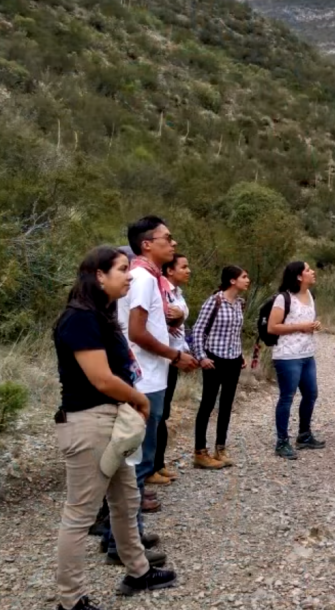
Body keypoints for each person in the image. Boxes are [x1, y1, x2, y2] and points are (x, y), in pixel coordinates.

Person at [53, 246, 177, 610]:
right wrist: (139, 401)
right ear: (98, 275)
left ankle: (138, 572)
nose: (129, 276)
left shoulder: (98, 315)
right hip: (90, 425)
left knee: (125, 501)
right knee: (80, 514)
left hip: (111, 423)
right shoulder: (79, 319)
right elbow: (102, 379)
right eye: (122, 269)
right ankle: (70, 600)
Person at [104, 217, 197, 564]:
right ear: (147, 244)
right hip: (145, 382)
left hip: (148, 377)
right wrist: (175, 355)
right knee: (136, 466)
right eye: (167, 238)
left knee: (133, 464)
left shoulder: (148, 278)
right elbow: (138, 332)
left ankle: (123, 537)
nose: (172, 244)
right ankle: (124, 545)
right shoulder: (143, 279)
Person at [191, 265, 250, 469]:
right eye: (244, 276)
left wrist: (240, 354)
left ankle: (221, 448)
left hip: (233, 359)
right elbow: (198, 330)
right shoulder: (214, 301)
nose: (247, 280)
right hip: (214, 359)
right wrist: (201, 357)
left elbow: (235, 332)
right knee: (207, 404)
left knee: (226, 404)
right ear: (232, 281)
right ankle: (200, 451)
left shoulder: (239, 304)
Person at [268, 261, 325, 459]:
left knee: (311, 394)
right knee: (287, 396)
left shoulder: (310, 295)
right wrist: (301, 327)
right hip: (287, 356)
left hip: (307, 354)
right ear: (299, 276)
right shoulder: (283, 299)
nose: (313, 272)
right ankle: (282, 441)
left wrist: (312, 326)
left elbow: (304, 323)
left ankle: (304, 435)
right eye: (308, 270)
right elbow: (272, 327)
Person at [146, 253, 191, 485]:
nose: (188, 270)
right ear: (169, 271)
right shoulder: (158, 289)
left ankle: (158, 463)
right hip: (162, 358)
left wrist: (180, 316)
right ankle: (150, 467)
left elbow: (179, 320)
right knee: (156, 414)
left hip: (172, 358)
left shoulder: (176, 293)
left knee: (163, 413)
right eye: (184, 267)